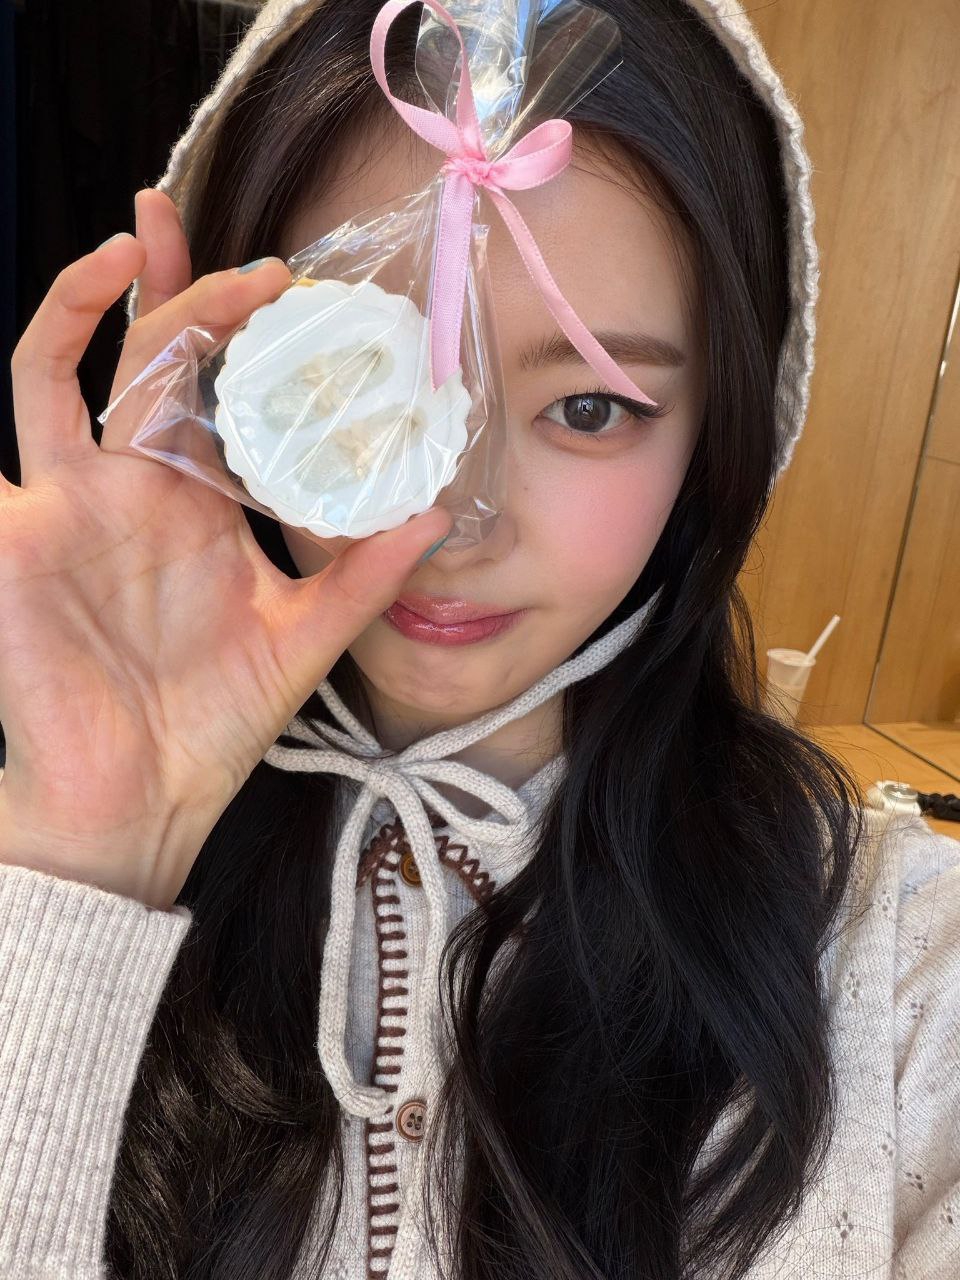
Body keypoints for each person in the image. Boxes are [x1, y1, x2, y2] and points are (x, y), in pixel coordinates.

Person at [1, 0, 958, 1277]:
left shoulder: (907, 970)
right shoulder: (33, 881)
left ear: (717, 435)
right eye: (363, 373)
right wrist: (87, 858)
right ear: (221, 376)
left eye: (589, 406)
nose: (454, 515)